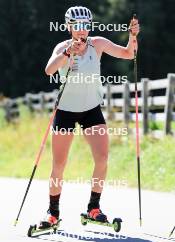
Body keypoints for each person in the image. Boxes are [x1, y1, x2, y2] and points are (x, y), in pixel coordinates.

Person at [40, 6, 140, 227]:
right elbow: (48, 70)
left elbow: (128, 54)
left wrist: (133, 37)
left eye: (85, 26)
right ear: (69, 27)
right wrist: (68, 53)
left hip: (91, 110)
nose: (82, 31)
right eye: (77, 26)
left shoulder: (98, 44)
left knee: (103, 159)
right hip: (65, 111)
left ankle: (93, 208)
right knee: (59, 164)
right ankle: (53, 212)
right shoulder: (62, 47)